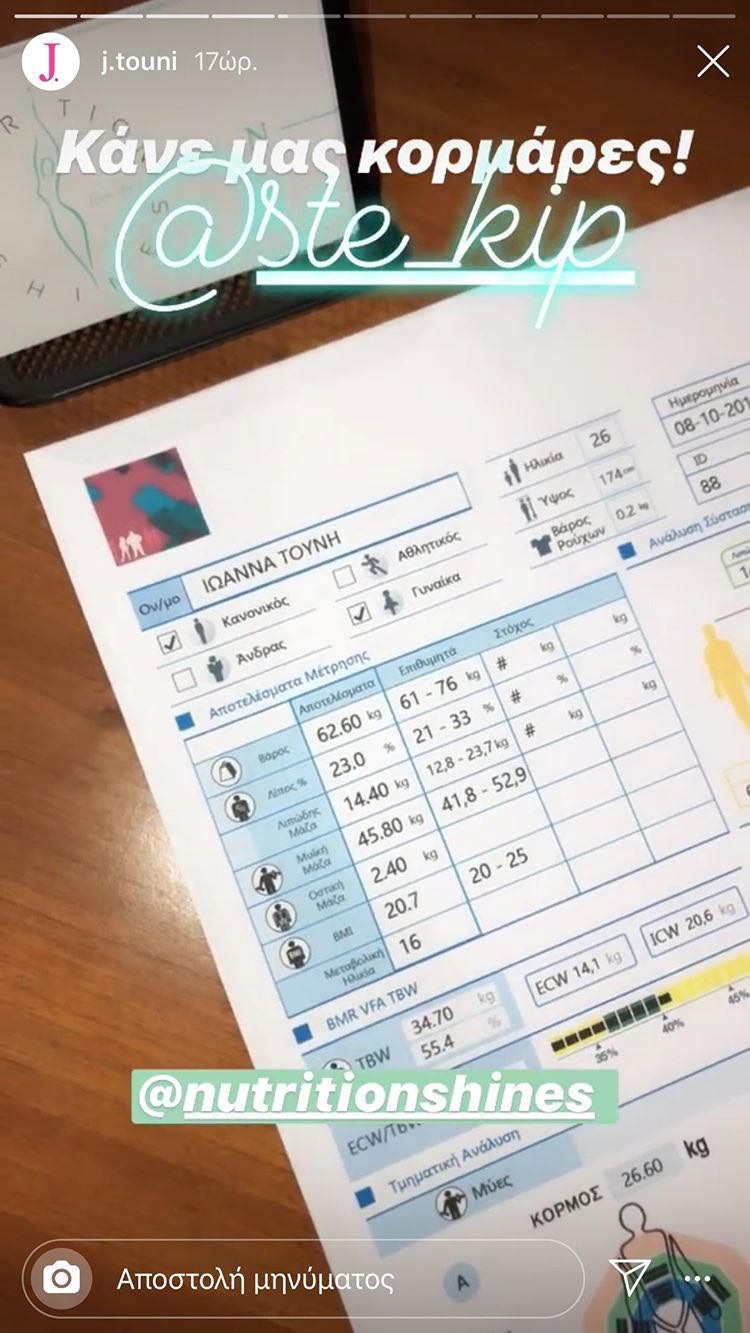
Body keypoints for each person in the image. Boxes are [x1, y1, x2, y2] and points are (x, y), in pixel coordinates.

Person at [703, 623, 750, 729]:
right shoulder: (708, 651)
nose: (710, 635)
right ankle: (748, 725)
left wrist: (743, 675)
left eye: (711, 632)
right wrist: (716, 686)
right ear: (706, 635)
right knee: (737, 704)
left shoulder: (724, 644)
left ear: (714, 632)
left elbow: (735, 659)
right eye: (708, 633)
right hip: (725, 680)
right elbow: (712, 670)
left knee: (742, 701)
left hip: (733, 676)